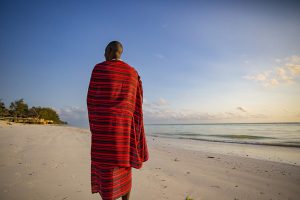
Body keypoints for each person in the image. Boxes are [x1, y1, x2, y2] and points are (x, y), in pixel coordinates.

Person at [86, 41, 149, 200]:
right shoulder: (133, 73)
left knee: (106, 167)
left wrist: (95, 124)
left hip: (104, 128)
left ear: (109, 50)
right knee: (124, 166)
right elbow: (137, 103)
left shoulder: (99, 68)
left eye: (104, 52)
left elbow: (91, 100)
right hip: (125, 129)